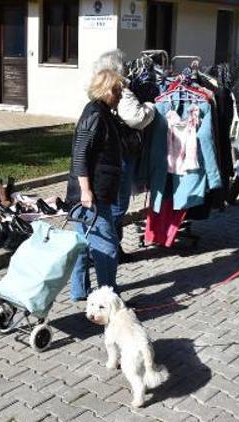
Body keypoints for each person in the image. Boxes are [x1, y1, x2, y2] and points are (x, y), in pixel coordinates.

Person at [90, 50, 155, 263]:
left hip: (106, 155)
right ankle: (107, 248)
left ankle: (110, 247)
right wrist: (151, 107)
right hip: (121, 154)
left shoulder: (96, 89)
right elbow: (136, 119)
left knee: (112, 204)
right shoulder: (120, 90)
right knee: (118, 205)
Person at [66, 69, 125, 301]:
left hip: (92, 193)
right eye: (118, 91)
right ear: (107, 89)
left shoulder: (102, 112)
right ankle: (108, 297)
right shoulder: (96, 114)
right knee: (108, 247)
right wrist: (86, 191)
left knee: (82, 245)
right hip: (92, 195)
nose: (120, 95)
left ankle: (79, 292)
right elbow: (80, 156)